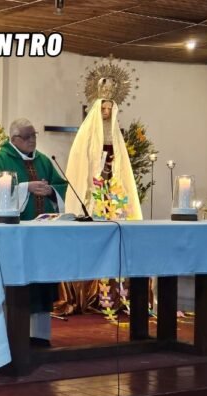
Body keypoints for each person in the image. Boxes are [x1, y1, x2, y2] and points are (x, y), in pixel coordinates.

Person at [0, 118, 67, 346]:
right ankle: (14, 336)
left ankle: (40, 335)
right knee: (20, 283)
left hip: (43, 234)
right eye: (27, 137)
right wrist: (24, 188)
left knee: (42, 283)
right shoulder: (1, 159)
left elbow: (61, 185)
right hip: (16, 235)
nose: (32, 141)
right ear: (14, 139)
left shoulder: (44, 160)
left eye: (34, 135)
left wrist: (51, 191)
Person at [57, 97, 143, 315]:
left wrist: (113, 178)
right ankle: (90, 293)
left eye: (110, 108)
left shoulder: (116, 133)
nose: (106, 111)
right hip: (93, 192)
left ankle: (118, 294)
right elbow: (81, 164)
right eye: (103, 108)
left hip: (112, 192)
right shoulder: (87, 134)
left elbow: (121, 165)